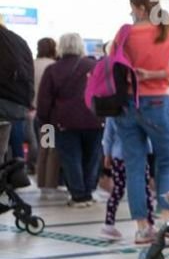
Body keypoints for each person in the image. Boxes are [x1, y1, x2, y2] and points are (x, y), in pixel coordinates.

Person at [120, 0, 169, 244]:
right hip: (157, 102)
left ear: (139, 8)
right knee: (168, 161)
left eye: (132, 9)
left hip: (125, 105)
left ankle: (141, 228)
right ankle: (165, 221)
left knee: (135, 167)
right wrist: (156, 74)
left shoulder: (124, 34)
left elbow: (112, 63)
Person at [36, 33, 101, 207]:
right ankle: (88, 191)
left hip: (64, 121)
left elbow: (44, 100)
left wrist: (44, 120)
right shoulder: (94, 66)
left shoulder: (53, 69)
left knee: (71, 158)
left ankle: (79, 195)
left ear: (61, 47)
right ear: (81, 46)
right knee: (91, 157)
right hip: (94, 119)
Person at [100, 117, 153, 240]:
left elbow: (108, 135)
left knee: (117, 190)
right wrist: (149, 150)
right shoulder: (138, 108)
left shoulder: (112, 112)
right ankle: (149, 223)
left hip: (118, 156)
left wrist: (107, 153)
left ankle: (108, 224)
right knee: (143, 188)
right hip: (138, 155)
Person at [0, 19, 33, 166]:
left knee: (48, 148)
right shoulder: (18, 41)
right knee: (47, 146)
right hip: (20, 107)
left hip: (47, 119)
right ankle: (20, 169)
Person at [31, 37, 59, 194]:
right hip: (50, 115)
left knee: (43, 148)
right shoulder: (53, 67)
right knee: (51, 150)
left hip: (36, 113)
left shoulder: (33, 64)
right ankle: (48, 184)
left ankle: (41, 180)